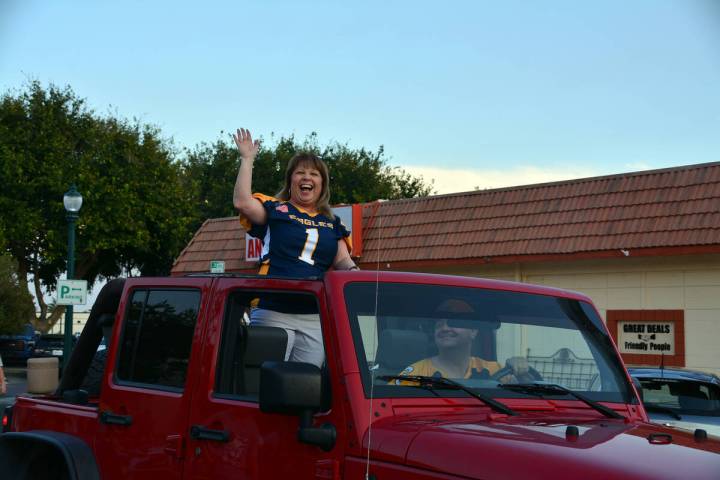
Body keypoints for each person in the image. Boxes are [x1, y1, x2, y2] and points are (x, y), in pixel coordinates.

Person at [232, 128, 358, 367]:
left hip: (313, 314)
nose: (306, 177)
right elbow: (242, 202)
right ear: (291, 180)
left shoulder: (333, 223)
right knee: (264, 383)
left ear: (322, 183)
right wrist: (247, 159)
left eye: (314, 173)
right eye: (300, 172)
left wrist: (357, 277)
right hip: (273, 310)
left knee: (304, 388)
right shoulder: (275, 208)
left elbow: (343, 261)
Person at [396, 299, 530, 383]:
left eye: (453, 321)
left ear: (473, 331)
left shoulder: (496, 370)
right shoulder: (414, 374)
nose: (444, 328)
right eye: (439, 323)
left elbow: (527, 402)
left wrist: (523, 374)